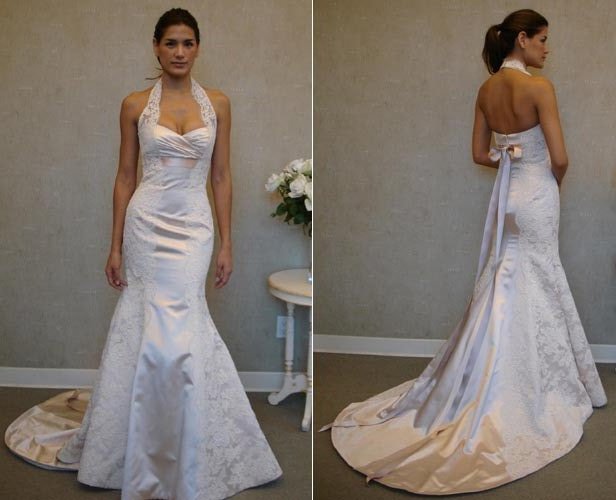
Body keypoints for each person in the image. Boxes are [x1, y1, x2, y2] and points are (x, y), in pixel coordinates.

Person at [321, 9, 606, 495]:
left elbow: (479, 153)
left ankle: (489, 373)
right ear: (522, 39)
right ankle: (527, 384)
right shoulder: (539, 88)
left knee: (507, 278)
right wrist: (547, 180)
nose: (547, 48)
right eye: (543, 39)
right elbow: (561, 157)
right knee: (538, 278)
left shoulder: (486, 90)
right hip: (537, 194)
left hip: (507, 194)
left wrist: (508, 160)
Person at [4, 8, 282, 499]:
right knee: (146, 328)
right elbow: (125, 177)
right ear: (156, 47)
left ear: (198, 48)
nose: (180, 52)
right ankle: (139, 446)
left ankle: (185, 443)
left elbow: (221, 177)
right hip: (146, 226)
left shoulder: (219, 103)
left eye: (188, 43)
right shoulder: (134, 105)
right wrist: (114, 245)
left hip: (194, 227)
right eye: (171, 43)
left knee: (183, 328)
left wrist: (227, 242)